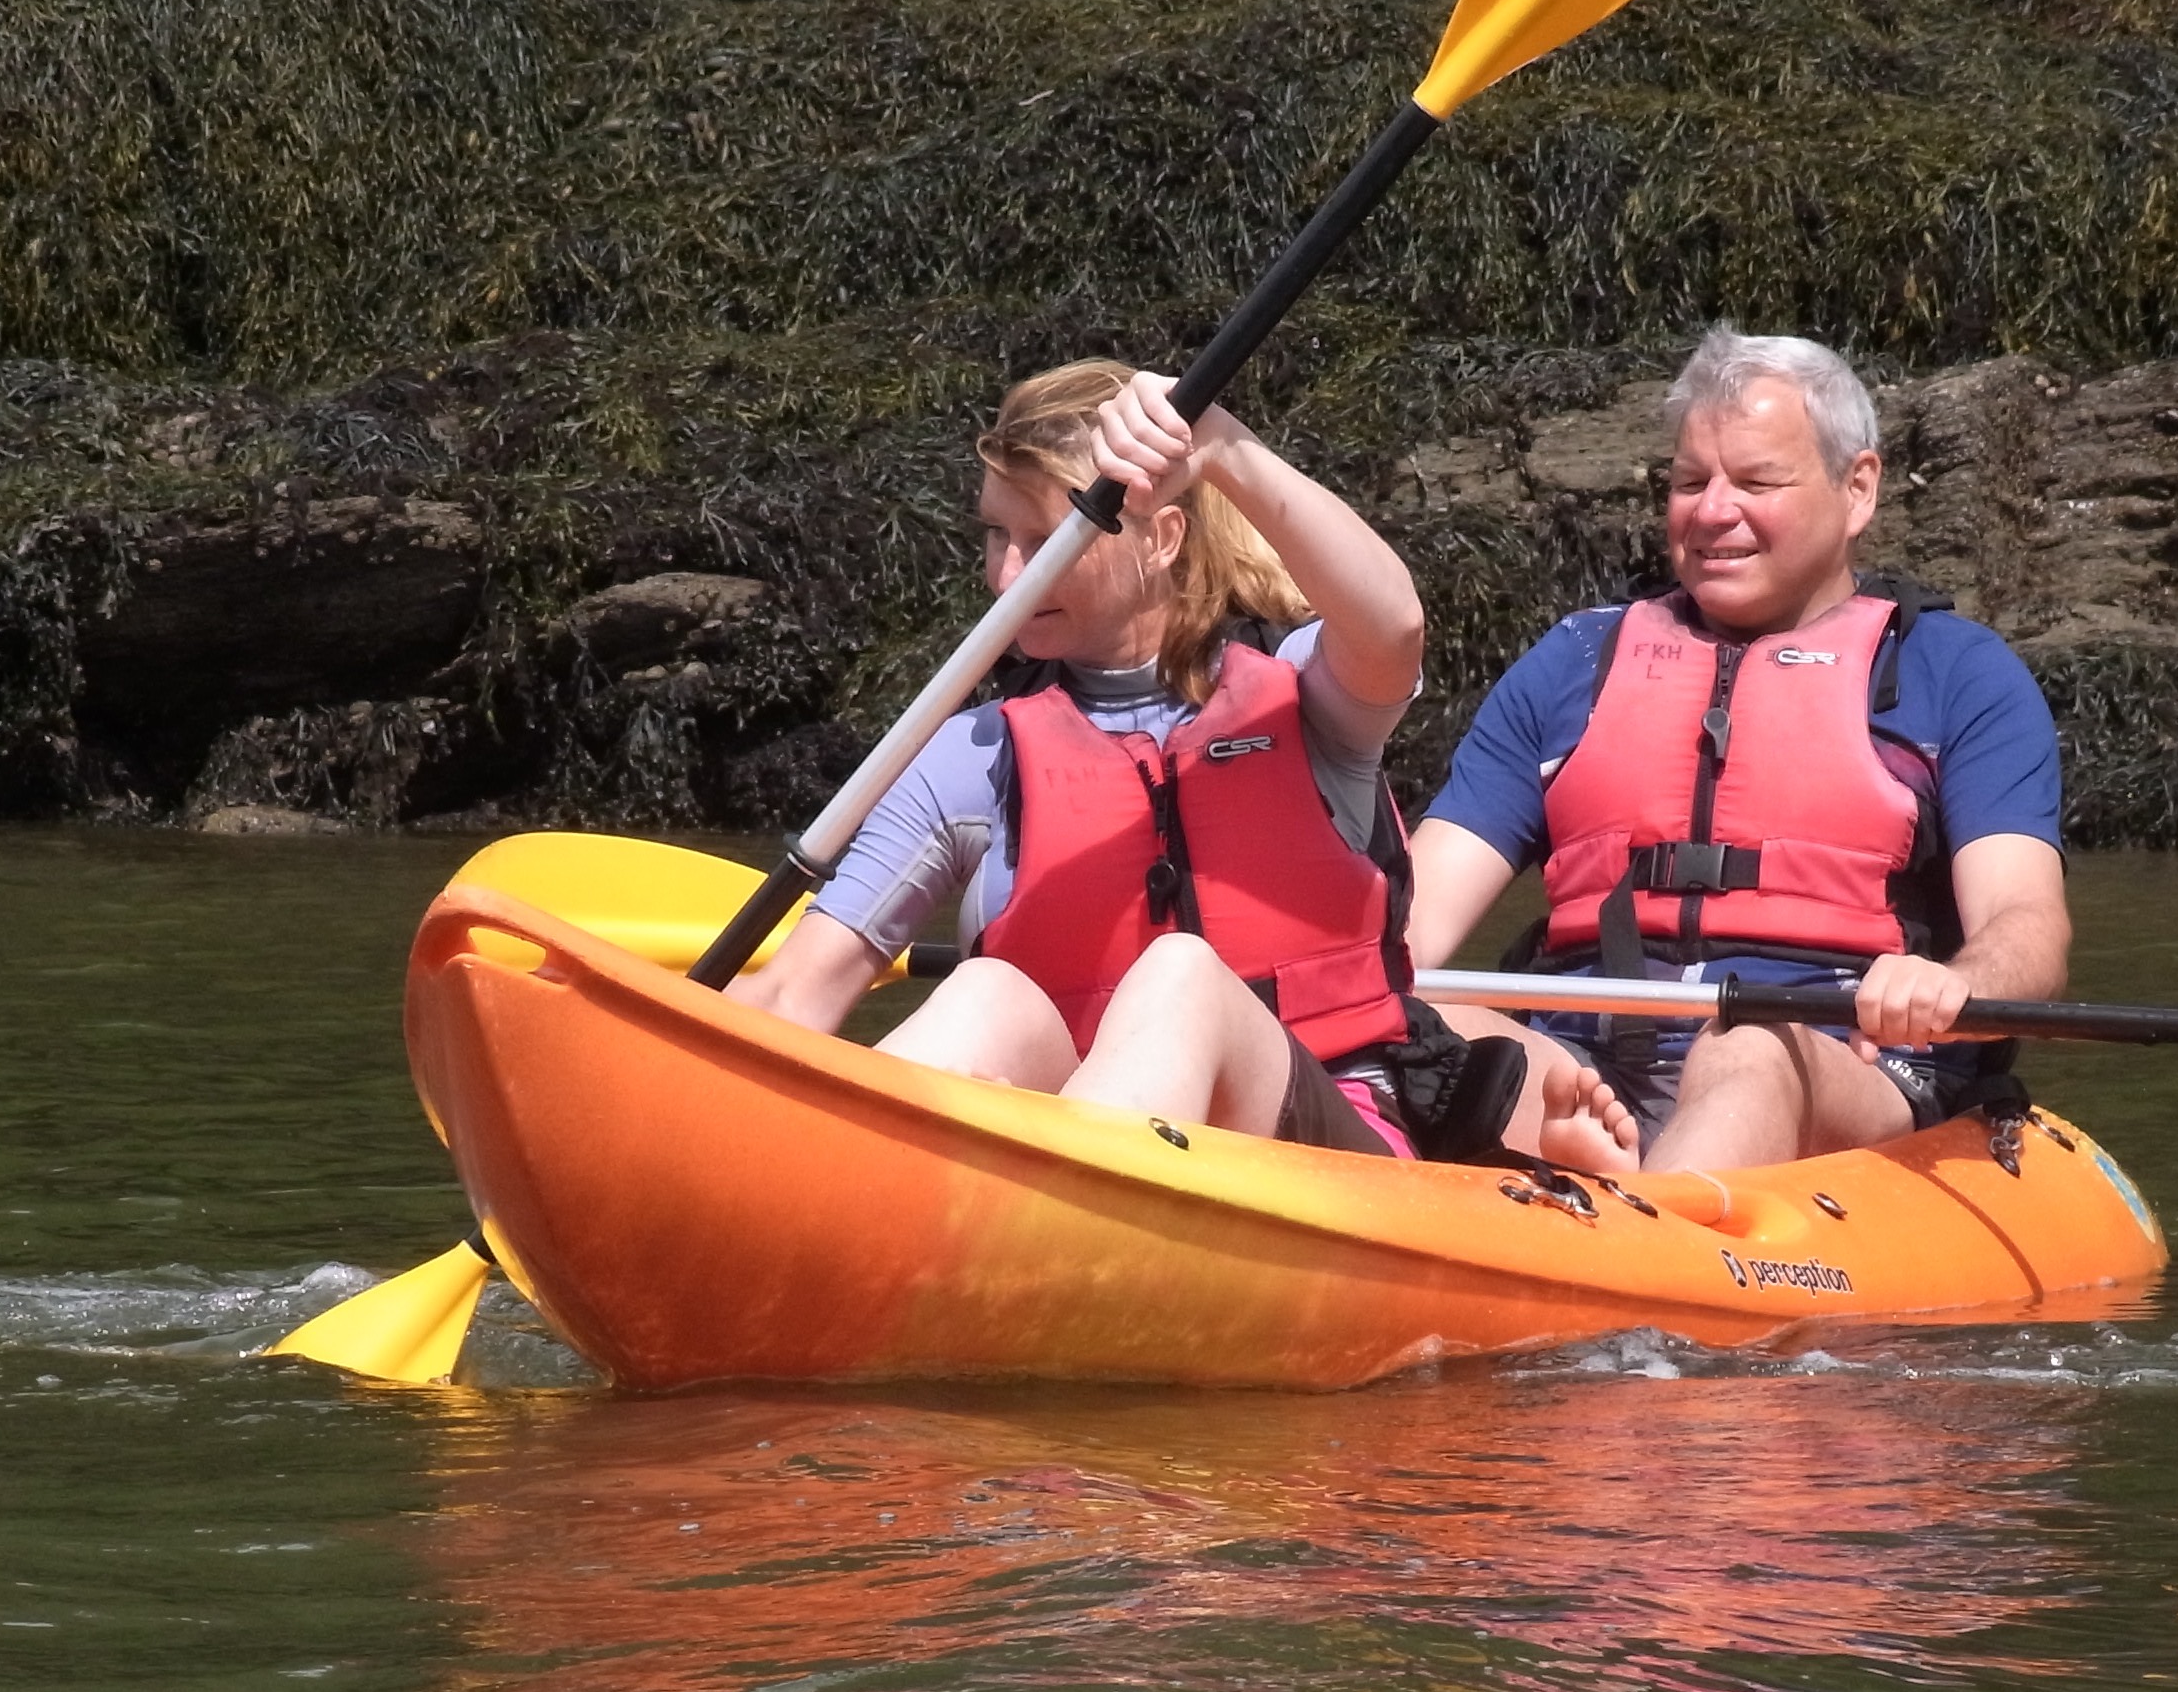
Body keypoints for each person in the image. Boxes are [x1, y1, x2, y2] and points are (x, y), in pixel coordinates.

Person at [731, 358, 1637, 1166]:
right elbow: (794, 995)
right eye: (995, 537)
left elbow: (1394, 626)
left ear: (1161, 539)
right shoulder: (971, 756)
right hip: (1094, 1143)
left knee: (1181, 978)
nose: (1007, 578)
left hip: (1333, 1150)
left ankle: (1036, 1219)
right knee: (986, 994)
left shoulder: (1305, 695)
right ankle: (831, 1204)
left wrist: (1222, 449)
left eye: (1043, 542)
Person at [1403, 326, 2071, 1173]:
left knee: (1749, 1047)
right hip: (1585, 1058)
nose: (1713, 511)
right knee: (1428, 1028)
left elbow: (2028, 924)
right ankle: (1600, 1166)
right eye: (1691, 482)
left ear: (1857, 488)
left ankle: (1646, 1218)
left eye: (1757, 482)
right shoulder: (1572, 663)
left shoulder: (1956, 673)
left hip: (1840, 1061)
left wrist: (1957, 982)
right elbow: (1410, 923)